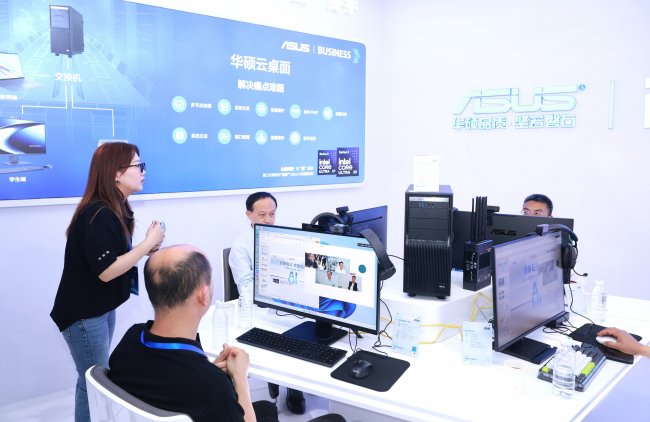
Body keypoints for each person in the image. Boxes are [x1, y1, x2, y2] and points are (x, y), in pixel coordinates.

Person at [50, 142, 165, 422]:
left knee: (92, 379)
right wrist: (145, 245)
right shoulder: (98, 213)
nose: (143, 171)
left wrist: (144, 248)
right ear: (116, 173)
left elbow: (113, 257)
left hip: (99, 307)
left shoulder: (115, 208)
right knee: (94, 383)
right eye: (138, 165)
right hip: (83, 314)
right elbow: (106, 271)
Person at [229, 192, 306, 415]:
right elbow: (245, 286)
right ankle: (278, 378)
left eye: (272, 214)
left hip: (289, 302)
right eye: (262, 215)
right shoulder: (241, 246)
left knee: (304, 332)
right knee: (276, 336)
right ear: (249, 215)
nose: (268, 220)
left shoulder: (285, 238)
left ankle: (295, 385)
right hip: (259, 309)